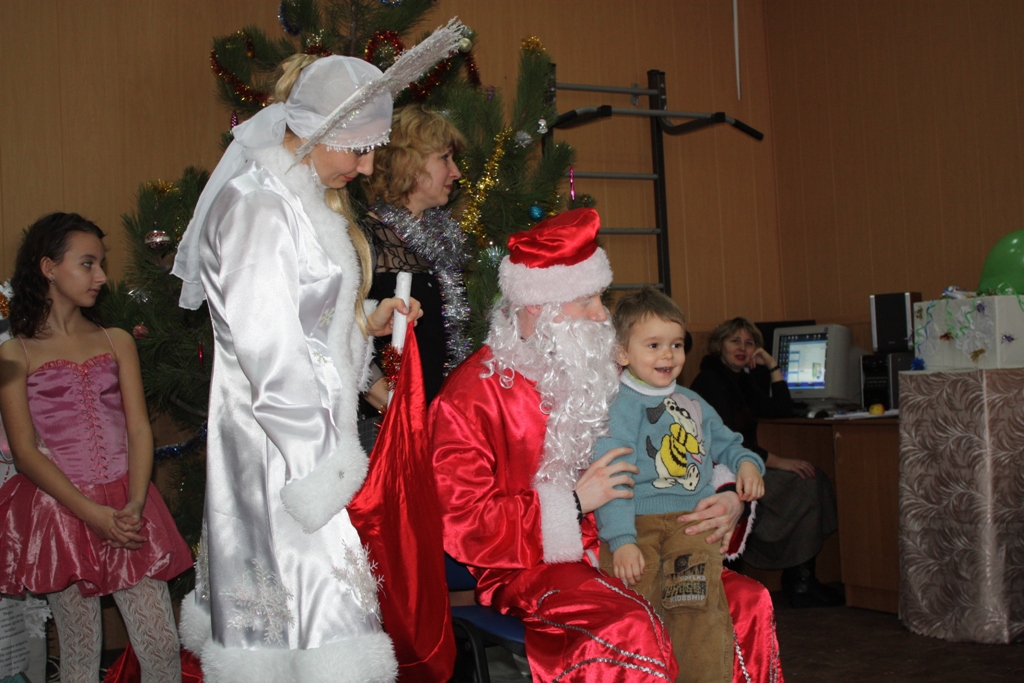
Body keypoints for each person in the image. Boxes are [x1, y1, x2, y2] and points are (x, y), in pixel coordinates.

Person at [168, 27, 463, 680]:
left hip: (307, 450)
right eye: (360, 150)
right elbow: (268, 352)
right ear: (321, 129)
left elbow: (305, 324)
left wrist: (366, 321)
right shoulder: (256, 209)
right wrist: (321, 473)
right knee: (307, 634)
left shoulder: (298, 202)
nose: (367, 169)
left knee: (323, 633)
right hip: (282, 456)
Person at [430, 208, 748, 681]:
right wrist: (574, 502)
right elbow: (463, 523)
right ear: (538, 306)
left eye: (601, 298)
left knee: (746, 601)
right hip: (530, 564)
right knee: (630, 625)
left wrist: (726, 495)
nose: (603, 315)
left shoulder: (605, 368)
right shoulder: (471, 396)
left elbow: (690, 432)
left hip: (641, 535)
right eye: (588, 302)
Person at [0, 212, 192, 683]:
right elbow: (24, 451)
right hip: (61, 511)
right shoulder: (14, 353)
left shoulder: (115, 340)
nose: (101, 276)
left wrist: (135, 503)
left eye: (101, 264)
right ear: (48, 268)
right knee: (81, 653)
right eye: (87, 264)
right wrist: (90, 512)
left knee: (161, 645)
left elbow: (139, 429)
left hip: (127, 505)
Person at [593, 288, 766, 683]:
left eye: (675, 344)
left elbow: (730, 444)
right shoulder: (618, 404)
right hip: (636, 526)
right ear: (622, 353)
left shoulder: (694, 402)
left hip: (691, 523)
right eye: (653, 345)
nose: (668, 355)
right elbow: (612, 473)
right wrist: (621, 540)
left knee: (697, 610)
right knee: (637, 611)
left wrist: (748, 465)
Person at [690, 317, 842, 608]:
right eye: (735, 341)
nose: (742, 348)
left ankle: (801, 577)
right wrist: (780, 461)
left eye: (749, 343)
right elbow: (728, 442)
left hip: (747, 463)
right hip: (723, 470)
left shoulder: (741, 380)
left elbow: (781, 408)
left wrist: (771, 365)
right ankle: (800, 582)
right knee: (805, 484)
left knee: (814, 478)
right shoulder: (711, 381)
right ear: (719, 345)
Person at [357, 104, 470, 445]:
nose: (456, 172)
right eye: (444, 158)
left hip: (436, 423)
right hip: (387, 431)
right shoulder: (364, 240)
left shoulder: (443, 240)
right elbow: (342, 339)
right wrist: (396, 410)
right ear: (409, 163)